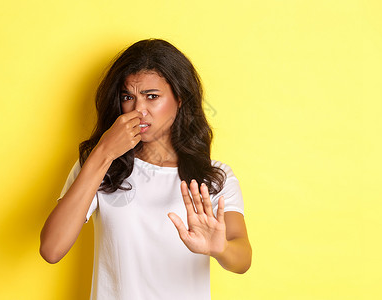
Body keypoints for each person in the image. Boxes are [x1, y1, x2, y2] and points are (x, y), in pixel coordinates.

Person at [39, 38, 252, 299]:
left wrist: (220, 248)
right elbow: (51, 249)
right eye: (128, 97)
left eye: (152, 97)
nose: (139, 110)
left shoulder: (214, 177)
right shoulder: (99, 165)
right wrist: (104, 152)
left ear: (180, 98)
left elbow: (242, 258)